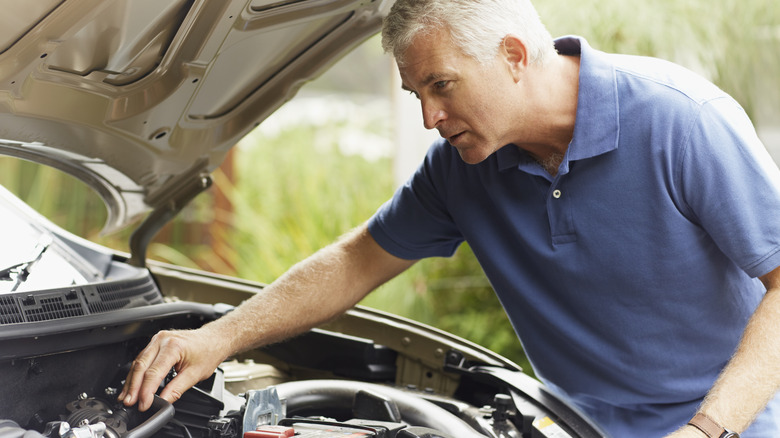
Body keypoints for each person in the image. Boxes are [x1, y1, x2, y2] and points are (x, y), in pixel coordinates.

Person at [119, 0, 780, 436]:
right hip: (579, 426)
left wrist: (704, 430)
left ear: (515, 57)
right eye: (416, 94)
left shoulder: (679, 121)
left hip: (732, 423)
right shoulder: (462, 168)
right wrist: (217, 338)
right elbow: (355, 260)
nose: (429, 118)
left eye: (442, 85)